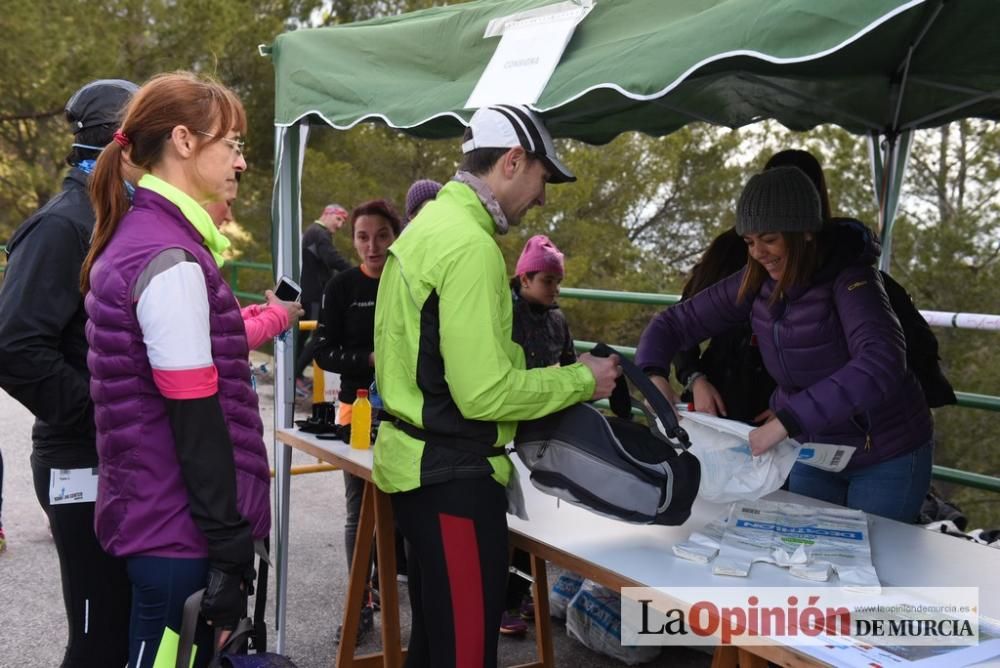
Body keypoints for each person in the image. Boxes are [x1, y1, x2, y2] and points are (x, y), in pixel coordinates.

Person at [373, 104, 620, 667]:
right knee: (465, 655)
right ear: (513, 161)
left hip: (414, 466)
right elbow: (482, 393)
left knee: (436, 643)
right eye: (542, 178)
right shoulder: (471, 245)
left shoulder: (430, 226)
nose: (542, 196)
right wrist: (581, 379)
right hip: (453, 478)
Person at [81, 71, 270, 667]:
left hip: (160, 518)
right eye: (232, 144)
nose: (240, 162)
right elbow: (196, 417)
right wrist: (229, 548)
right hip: (179, 532)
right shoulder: (169, 258)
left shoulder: (146, 237)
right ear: (185, 141)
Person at [636, 166, 934, 523]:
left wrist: (787, 420)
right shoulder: (755, 281)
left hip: (886, 452)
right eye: (749, 242)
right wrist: (653, 375)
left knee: (878, 564)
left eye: (770, 238)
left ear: (805, 232)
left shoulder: (854, 278)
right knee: (806, 555)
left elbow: (881, 361)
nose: (759, 252)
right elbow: (673, 323)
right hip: (810, 448)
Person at [0, 78, 137, 666]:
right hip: (78, 458)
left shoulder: (106, 213)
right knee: (97, 633)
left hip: (110, 453)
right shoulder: (62, 224)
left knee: (121, 621)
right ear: (120, 145)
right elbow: (14, 346)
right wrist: (100, 411)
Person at [312, 198, 403, 644]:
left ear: (396, 236)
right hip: (357, 413)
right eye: (363, 237)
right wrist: (367, 358)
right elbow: (322, 350)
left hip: (407, 415)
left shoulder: (408, 282)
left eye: (382, 236)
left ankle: (397, 592)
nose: (373, 246)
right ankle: (361, 601)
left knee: (403, 509)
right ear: (352, 240)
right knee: (359, 510)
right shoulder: (342, 286)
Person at [502, 233, 577, 635]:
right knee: (508, 517)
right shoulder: (502, 314)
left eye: (557, 281)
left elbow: (570, 367)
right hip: (507, 428)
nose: (554, 288)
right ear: (525, 278)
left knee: (539, 516)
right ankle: (502, 603)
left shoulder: (558, 320)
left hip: (545, 432)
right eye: (548, 280)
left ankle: (526, 595)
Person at [672, 228, 776, 423]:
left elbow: (823, 354)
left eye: (769, 239)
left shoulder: (797, 260)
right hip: (716, 404)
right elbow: (677, 328)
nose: (759, 251)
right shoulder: (727, 249)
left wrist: (794, 407)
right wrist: (695, 379)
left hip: (775, 408)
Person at [203, 183, 303, 350]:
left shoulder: (195, 255)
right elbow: (223, 340)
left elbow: (217, 326)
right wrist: (278, 316)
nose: (229, 217)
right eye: (228, 203)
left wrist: (257, 312)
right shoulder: (186, 258)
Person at [296, 203, 352, 395]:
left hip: (307, 293)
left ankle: (295, 375)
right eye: (338, 219)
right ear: (327, 214)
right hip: (314, 296)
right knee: (318, 335)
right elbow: (332, 259)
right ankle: (296, 376)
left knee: (303, 335)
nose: (340, 225)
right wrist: (356, 272)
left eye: (343, 222)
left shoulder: (312, 231)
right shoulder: (320, 234)